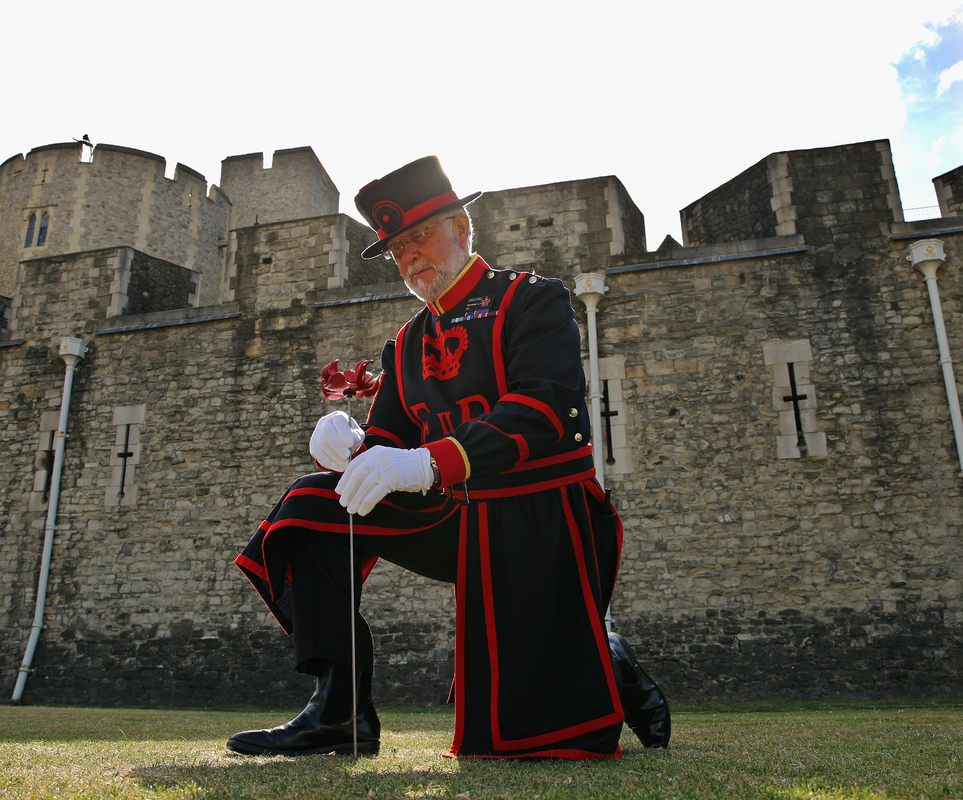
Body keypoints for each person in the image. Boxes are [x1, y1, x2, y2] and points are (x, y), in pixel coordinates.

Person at [228, 156, 670, 759]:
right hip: (452, 516)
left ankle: (612, 662)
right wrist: (350, 444)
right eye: (397, 249)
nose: (410, 257)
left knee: (522, 738)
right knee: (310, 505)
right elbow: (388, 443)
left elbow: (545, 413)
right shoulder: (405, 344)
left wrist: (428, 463)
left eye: (419, 237)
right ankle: (337, 711)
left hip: (537, 516)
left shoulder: (532, 300)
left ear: (461, 227)